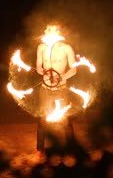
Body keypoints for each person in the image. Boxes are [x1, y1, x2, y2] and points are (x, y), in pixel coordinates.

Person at [35, 24, 77, 155]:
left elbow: (74, 69)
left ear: (58, 32)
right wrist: (42, 71)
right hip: (45, 88)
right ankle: (40, 150)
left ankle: (71, 149)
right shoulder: (41, 47)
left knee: (65, 121)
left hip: (61, 89)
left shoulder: (67, 48)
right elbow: (38, 66)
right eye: (47, 30)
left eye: (51, 30)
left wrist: (62, 77)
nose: (46, 32)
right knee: (43, 120)